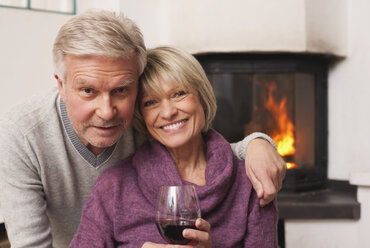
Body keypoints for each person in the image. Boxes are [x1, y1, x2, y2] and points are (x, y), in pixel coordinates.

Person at [0, 9, 284, 248]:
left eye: (121, 90)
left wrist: (260, 144)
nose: (107, 111)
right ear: (61, 85)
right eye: (88, 90)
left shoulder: (152, 122)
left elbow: (204, 148)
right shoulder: (21, 135)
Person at [70, 46, 278, 248]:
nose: (168, 112)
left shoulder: (251, 180)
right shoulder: (114, 186)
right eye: (151, 102)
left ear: (202, 99)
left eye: (178, 94)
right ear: (142, 116)